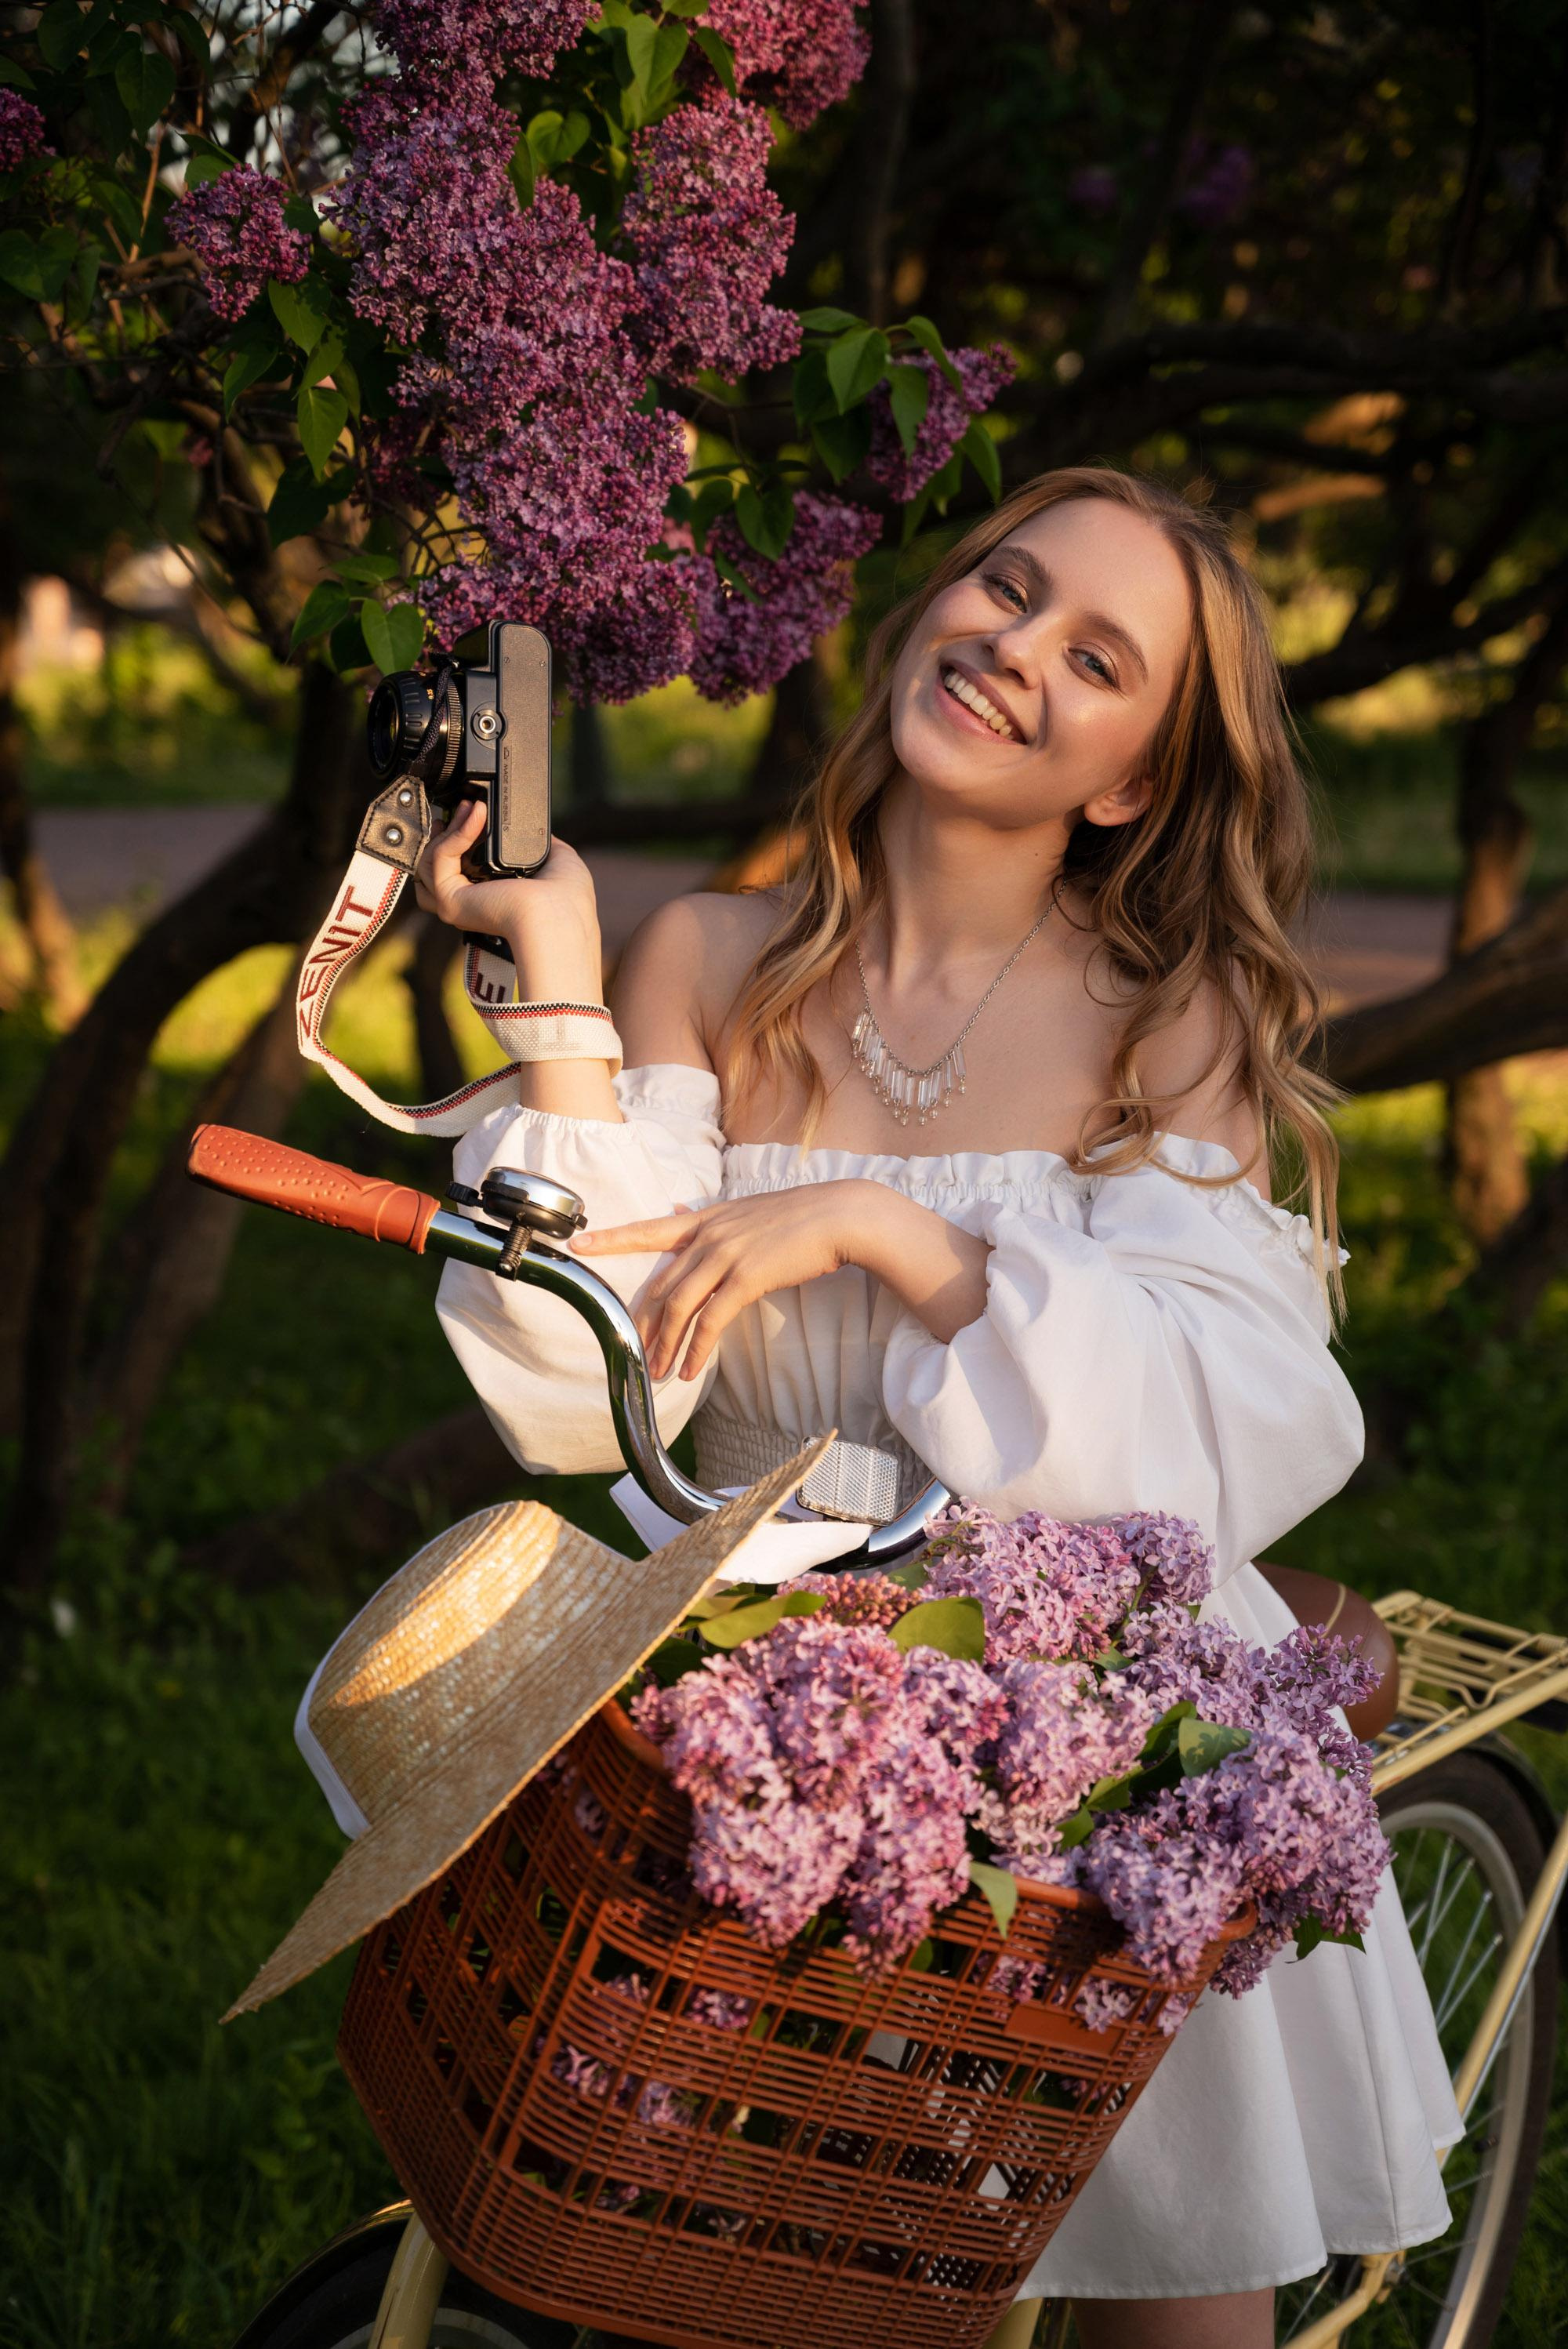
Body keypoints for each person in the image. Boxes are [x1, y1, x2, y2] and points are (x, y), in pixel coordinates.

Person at [415, 467, 1461, 2349]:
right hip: (760, 1682)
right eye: (1005, 584)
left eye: (1094, 654)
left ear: (1129, 778)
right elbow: (581, 1383)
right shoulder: (705, 963)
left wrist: (901, 1237)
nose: (1013, 647)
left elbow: (1234, 1429)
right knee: (710, 2248)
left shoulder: (1170, 1018)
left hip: (1091, 1695)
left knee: (1165, 2266)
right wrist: (559, 980)